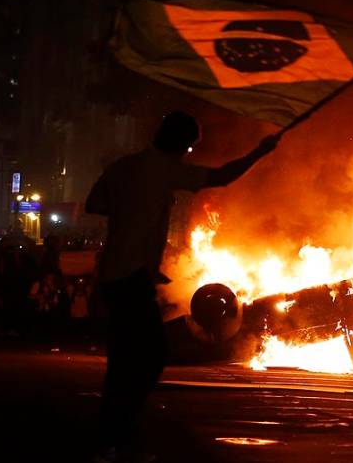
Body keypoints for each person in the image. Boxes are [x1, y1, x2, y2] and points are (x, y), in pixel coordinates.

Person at [85, 110, 279, 458]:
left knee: (125, 358)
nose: (189, 152)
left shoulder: (125, 165)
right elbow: (220, 177)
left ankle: (114, 436)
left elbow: (95, 203)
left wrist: (130, 215)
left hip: (114, 273)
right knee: (151, 355)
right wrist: (260, 152)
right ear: (181, 144)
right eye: (190, 147)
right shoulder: (164, 168)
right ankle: (117, 435)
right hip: (130, 278)